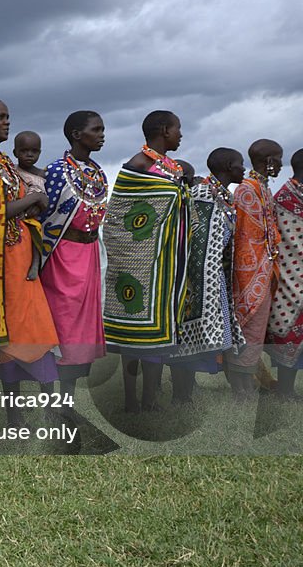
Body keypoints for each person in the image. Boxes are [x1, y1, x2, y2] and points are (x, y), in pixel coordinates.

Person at [0, 98, 58, 428]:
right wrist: (33, 199)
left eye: (8, 117)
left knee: (31, 330)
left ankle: (32, 413)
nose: (6, 122)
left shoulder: (3, 160)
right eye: (0, 117)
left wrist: (30, 204)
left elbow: (14, 207)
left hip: (19, 257)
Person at [102, 110, 191, 412]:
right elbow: (120, 215)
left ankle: (149, 399)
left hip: (165, 262)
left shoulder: (171, 166)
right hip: (137, 260)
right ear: (165, 130)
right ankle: (131, 401)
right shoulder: (137, 165)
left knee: (159, 332)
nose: (181, 134)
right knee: (135, 334)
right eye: (178, 129)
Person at [39, 111, 108, 401]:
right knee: (60, 323)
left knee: (82, 326)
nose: (102, 134)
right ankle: (50, 396)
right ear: (78, 135)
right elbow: (44, 216)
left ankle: (67, 396)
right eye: (97, 129)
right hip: (61, 256)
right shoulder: (56, 171)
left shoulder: (97, 172)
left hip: (90, 253)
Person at [168, 148, 246, 403]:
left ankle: (196, 394)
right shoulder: (203, 193)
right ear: (227, 166)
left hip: (216, 279)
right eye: (239, 164)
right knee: (189, 338)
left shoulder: (224, 196)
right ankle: (182, 396)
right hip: (197, 280)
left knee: (211, 337)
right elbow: (196, 241)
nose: (242, 169)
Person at [229, 139, 283, 400]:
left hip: (264, 268)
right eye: (278, 159)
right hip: (250, 271)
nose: (281, 164)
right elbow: (245, 236)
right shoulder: (247, 190)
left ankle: (250, 382)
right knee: (248, 328)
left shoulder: (260, 187)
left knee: (256, 329)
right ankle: (242, 387)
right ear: (269, 161)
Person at [267, 148, 303, 400]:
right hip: (290, 276)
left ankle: (287, 390)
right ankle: (285, 390)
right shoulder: (282, 199)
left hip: (289, 278)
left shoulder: (280, 197)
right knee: (288, 331)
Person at [14, 130, 46, 195]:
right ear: (15, 153)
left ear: (39, 153)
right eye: (24, 151)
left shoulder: (43, 175)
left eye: (34, 151)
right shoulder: (13, 172)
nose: (29, 154)